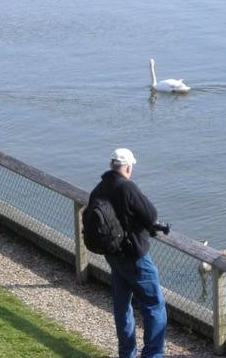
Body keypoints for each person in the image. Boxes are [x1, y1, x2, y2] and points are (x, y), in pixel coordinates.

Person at [88, 148, 167, 358]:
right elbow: (150, 214)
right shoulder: (127, 188)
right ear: (128, 167)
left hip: (113, 255)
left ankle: (127, 353)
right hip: (135, 257)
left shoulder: (99, 189)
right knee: (154, 305)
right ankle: (153, 354)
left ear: (111, 165)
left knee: (122, 307)